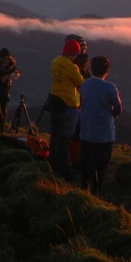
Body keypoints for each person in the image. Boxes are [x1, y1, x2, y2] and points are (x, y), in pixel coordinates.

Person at [78, 55, 122, 196]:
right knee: (100, 166)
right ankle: (96, 192)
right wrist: (111, 114)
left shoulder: (85, 84)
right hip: (103, 134)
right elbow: (118, 108)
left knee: (85, 163)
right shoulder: (110, 87)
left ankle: (83, 189)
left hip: (86, 131)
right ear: (106, 71)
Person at [47, 37, 84, 179]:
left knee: (55, 135)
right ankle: (62, 169)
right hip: (68, 105)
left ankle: (52, 163)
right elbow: (81, 84)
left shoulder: (55, 61)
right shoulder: (71, 66)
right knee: (65, 138)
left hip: (55, 101)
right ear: (75, 53)